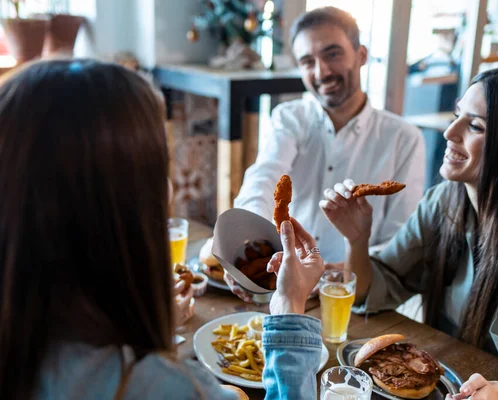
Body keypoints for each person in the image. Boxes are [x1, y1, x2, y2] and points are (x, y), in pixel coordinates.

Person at [0, 60, 324, 400]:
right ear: (123, 205)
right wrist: (289, 306)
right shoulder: (167, 388)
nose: (169, 188)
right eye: (161, 168)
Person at [320, 67, 498, 399]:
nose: (450, 132)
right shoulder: (441, 204)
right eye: (456, 116)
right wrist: (357, 240)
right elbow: (377, 289)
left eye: (475, 126)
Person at [225, 6, 425, 300]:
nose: (322, 72)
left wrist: (346, 266)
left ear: (361, 55)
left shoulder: (404, 138)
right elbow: (264, 177)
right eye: (308, 61)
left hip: (355, 296)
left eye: (333, 54)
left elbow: (401, 240)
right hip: (286, 286)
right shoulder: (288, 118)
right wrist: (246, 242)